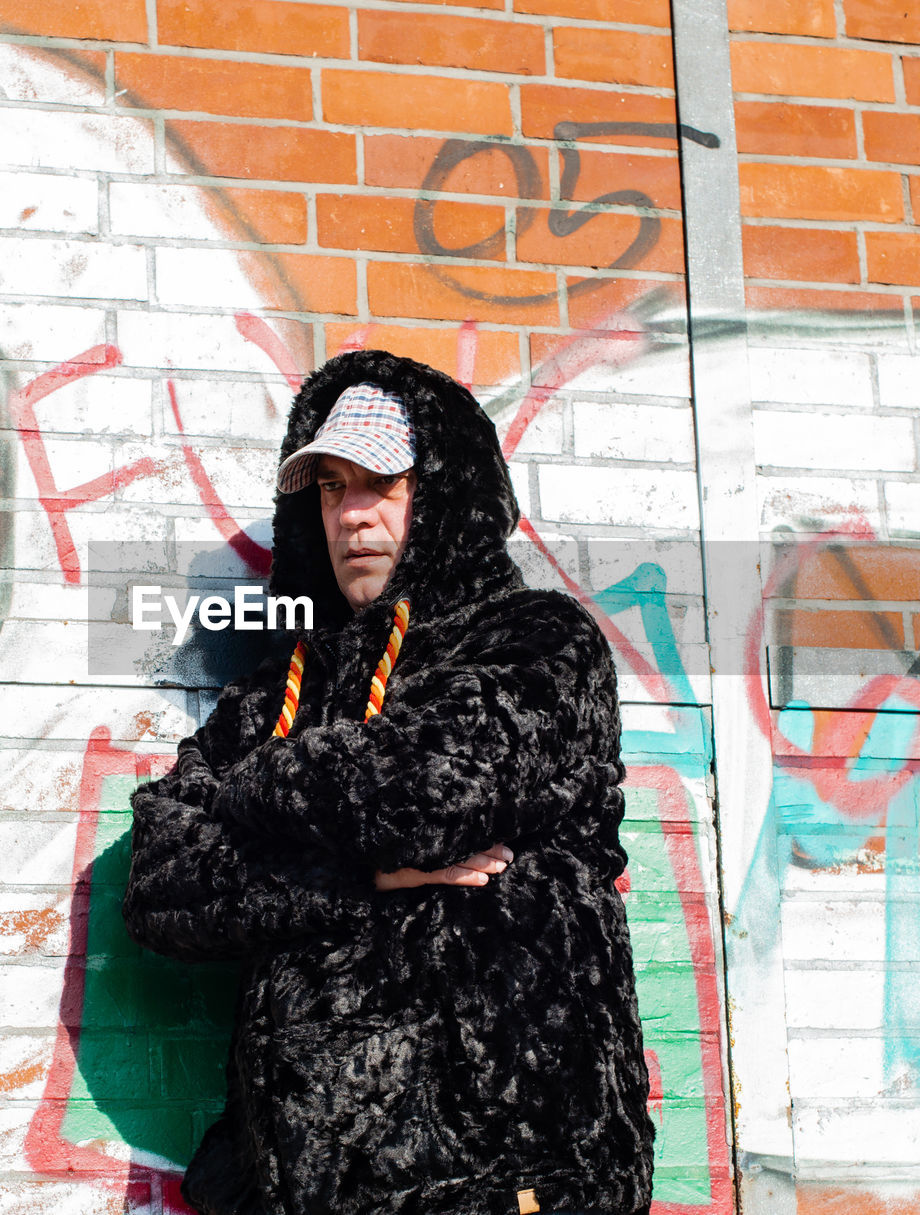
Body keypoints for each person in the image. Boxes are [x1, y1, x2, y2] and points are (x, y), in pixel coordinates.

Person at [123, 349, 655, 1215]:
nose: (352, 516)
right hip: (307, 1186)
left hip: (503, 1180)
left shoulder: (536, 641)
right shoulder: (275, 690)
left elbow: (430, 791)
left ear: (440, 495)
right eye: (331, 487)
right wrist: (360, 879)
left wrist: (249, 790)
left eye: (381, 482)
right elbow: (160, 880)